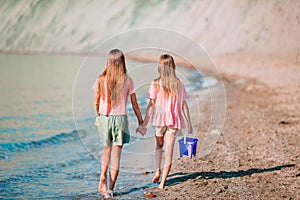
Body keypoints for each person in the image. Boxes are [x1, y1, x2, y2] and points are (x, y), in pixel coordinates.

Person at [137, 54, 193, 189]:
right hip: (173, 120)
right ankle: (162, 183)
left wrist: (144, 122)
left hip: (159, 120)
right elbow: (184, 105)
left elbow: (151, 105)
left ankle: (158, 170)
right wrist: (189, 124)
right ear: (173, 67)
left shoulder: (155, 83)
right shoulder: (178, 83)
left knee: (158, 146)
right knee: (168, 153)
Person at [93, 49, 144, 198]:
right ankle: (110, 189)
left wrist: (99, 114)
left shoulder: (100, 79)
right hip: (120, 119)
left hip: (105, 118)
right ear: (122, 62)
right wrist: (141, 121)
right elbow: (135, 104)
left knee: (106, 151)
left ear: (108, 62)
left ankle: (103, 175)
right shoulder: (127, 80)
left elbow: (96, 102)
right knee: (116, 156)